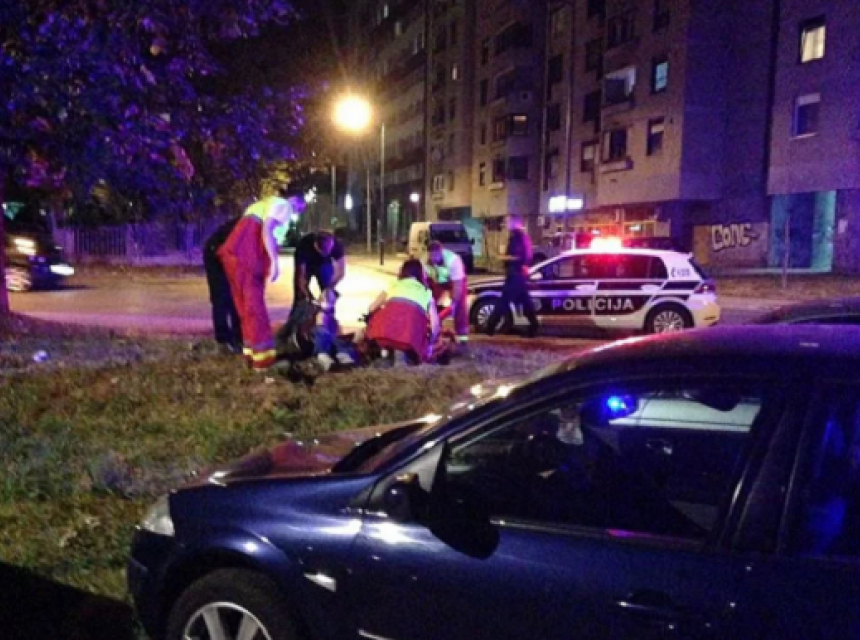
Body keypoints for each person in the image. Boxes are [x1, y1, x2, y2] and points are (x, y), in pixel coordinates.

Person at [218, 187, 307, 371]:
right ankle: (263, 360)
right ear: (295, 201)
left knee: (245, 308)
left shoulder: (263, 204)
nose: (298, 211)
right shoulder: (284, 206)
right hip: (251, 255)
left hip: (234, 254)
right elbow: (268, 229)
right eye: (301, 207)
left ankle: (251, 353)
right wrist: (274, 261)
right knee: (255, 308)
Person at [365, 258, 441, 365]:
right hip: (409, 340)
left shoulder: (392, 285)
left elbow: (371, 308)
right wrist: (430, 343)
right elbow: (435, 325)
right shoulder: (426, 292)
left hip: (382, 335)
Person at [485, 214, 539, 337]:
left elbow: (519, 256)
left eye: (508, 221)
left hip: (515, 275)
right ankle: (533, 326)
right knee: (524, 302)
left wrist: (504, 258)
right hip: (517, 275)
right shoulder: (518, 236)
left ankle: (490, 327)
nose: (505, 224)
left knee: (504, 301)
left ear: (515, 222)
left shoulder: (518, 237)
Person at [293, 230, 346, 335]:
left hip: (324, 265)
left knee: (328, 297)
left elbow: (341, 272)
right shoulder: (304, 246)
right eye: (323, 251)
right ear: (315, 245)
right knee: (301, 296)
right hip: (307, 265)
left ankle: (329, 325)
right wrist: (309, 297)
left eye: (328, 251)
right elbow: (301, 277)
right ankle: (297, 327)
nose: (326, 253)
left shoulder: (337, 245)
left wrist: (328, 289)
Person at [203, 217, 242, 353]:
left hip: (227, 255)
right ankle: (223, 339)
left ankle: (238, 337)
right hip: (215, 254)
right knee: (221, 297)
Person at [425, 241, 469, 353]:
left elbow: (457, 286)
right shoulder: (424, 261)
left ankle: (462, 338)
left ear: (441, 252)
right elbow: (424, 281)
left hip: (454, 281)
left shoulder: (454, 261)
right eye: (431, 256)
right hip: (437, 281)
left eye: (435, 256)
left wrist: (453, 303)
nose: (433, 259)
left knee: (460, 307)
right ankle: (432, 330)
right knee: (430, 306)